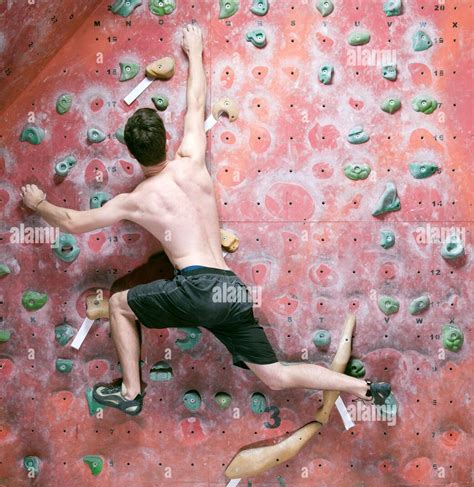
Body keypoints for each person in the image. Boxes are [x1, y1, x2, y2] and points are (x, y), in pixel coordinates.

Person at [20, 24, 391, 416]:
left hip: (198, 288)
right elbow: (195, 103)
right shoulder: (192, 161)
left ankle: (131, 391)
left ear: (132, 154)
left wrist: (39, 203)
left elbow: (75, 223)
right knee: (277, 375)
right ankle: (365, 388)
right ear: (166, 137)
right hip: (232, 291)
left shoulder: (136, 200)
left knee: (118, 304)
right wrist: (194, 52)